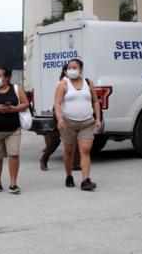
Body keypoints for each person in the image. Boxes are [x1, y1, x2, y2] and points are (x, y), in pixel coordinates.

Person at [54, 58, 100, 191]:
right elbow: (57, 103)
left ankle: (86, 180)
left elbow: (95, 101)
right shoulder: (63, 84)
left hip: (86, 122)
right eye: (69, 67)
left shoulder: (88, 82)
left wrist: (98, 118)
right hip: (68, 123)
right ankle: (69, 176)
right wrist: (59, 119)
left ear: (81, 69)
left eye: (74, 67)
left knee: (85, 150)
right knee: (69, 151)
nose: (71, 70)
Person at [40, 65, 81, 171]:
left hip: (74, 113)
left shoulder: (79, 82)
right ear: (64, 71)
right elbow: (58, 102)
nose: (72, 71)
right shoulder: (62, 82)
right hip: (61, 113)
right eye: (70, 69)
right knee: (56, 138)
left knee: (75, 137)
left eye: (75, 69)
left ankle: (75, 163)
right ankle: (44, 159)